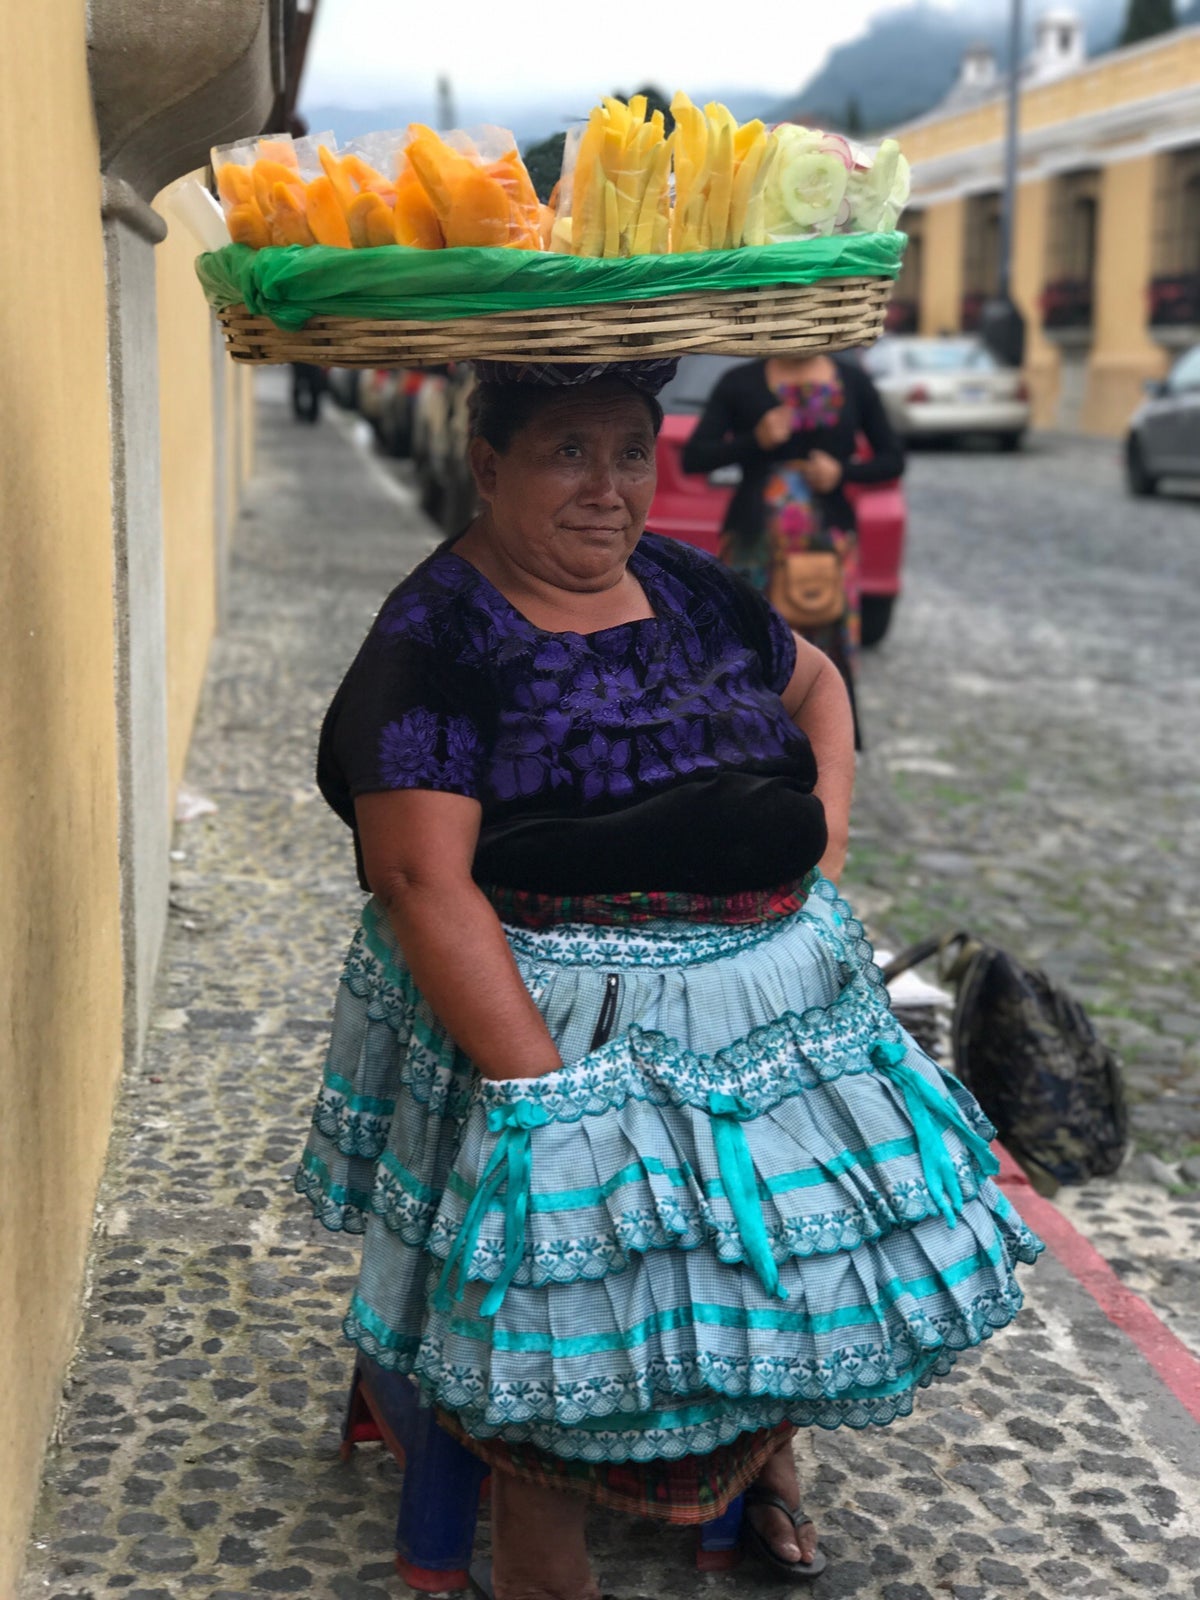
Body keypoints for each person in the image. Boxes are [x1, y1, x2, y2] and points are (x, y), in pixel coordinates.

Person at [296, 360, 1039, 1600]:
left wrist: (821, 848)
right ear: (488, 465)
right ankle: (543, 1561)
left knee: (798, 1249)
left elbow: (814, 687)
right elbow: (424, 884)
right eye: (568, 453)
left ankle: (763, 1468)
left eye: (632, 451)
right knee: (575, 1264)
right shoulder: (438, 636)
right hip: (574, 1023)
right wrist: (550, 1106)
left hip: (772, 1004)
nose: (610, 487)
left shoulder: (684, 584)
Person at [681, 353, 904, 745]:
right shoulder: (740, 380)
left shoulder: (852, 381)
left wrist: (842, 472)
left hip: (826, 542)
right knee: (750, 641)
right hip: (755, 541)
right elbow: (695, 457)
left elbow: (893, 459)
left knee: (826, 643)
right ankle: (748, 742)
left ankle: (827, 748)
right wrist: (754, 441)